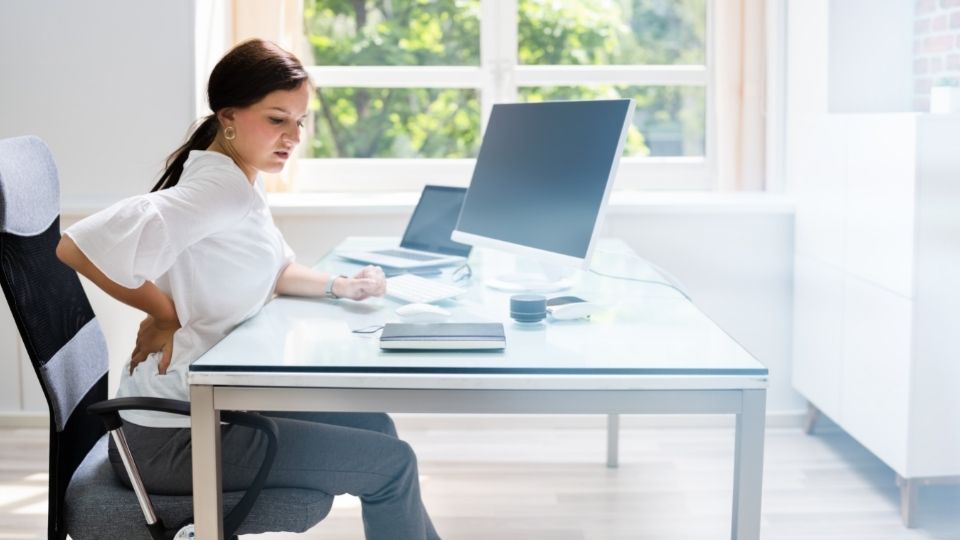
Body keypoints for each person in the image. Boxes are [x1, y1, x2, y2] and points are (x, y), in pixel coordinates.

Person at [56, 39, 440, 540]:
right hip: (172, 438)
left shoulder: (238, 179)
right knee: (392, 463)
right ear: (229, 117)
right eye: (277, 119)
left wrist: (340, 285)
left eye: (299, 122)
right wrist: (163, 312)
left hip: (203, 409)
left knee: (374, 425)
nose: (293, 136)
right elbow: (75, 247)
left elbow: (275, 268)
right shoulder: (214, 191)